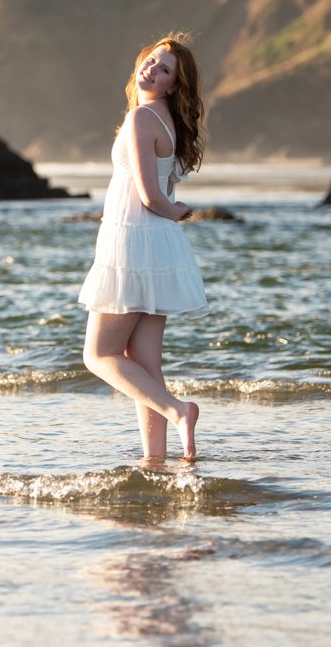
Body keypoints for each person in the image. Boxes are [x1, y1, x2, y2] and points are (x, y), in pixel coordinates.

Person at [78, 32, 208, 460]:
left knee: (98, 355)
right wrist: (172, 211)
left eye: (164, 69)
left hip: (133, 243)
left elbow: (153, 196)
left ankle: (178, 410)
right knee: (145, 363)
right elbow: (165, 187)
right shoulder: (168, 122)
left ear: (173, 85)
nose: (152, 69)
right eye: (151, 60)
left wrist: (177, 212)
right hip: (158, 248)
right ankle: (157, 460)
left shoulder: (141, 119)